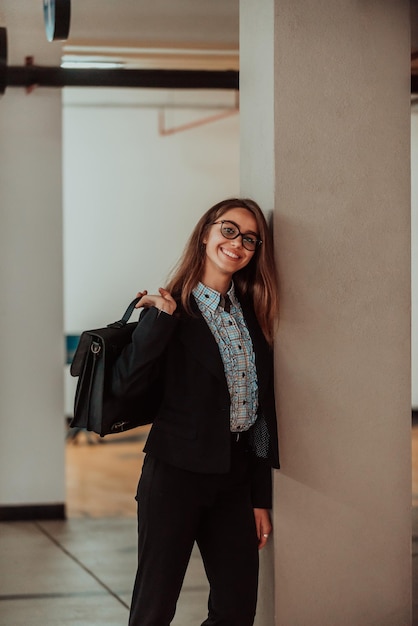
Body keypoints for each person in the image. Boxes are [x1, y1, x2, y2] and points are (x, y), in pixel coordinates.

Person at [112, 197, 280, 626]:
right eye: (228, 230)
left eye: (249, 239)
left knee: (237, 609)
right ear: (205, 233)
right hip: (174, 477)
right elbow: (126, 385)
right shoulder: (173, 309)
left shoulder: (251, 316)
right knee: (154, 609)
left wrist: (260, 498)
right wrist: (158, 323)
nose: (237, 243)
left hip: (234, 480)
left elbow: (261, 415)